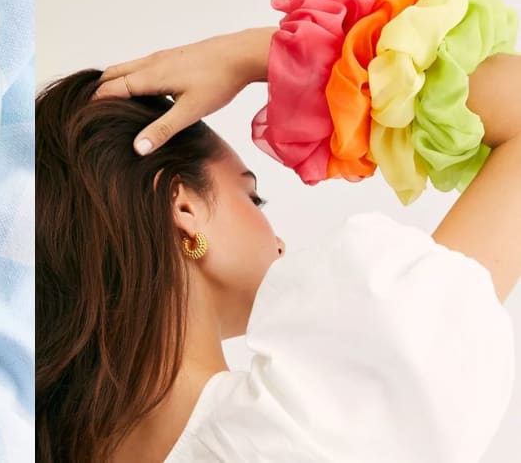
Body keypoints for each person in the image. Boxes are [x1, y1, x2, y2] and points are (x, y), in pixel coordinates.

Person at [35, 26, 521, 462]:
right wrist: (263, 55)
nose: (280, 242)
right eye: (253, 196)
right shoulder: (308, 426)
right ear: (183, 208)